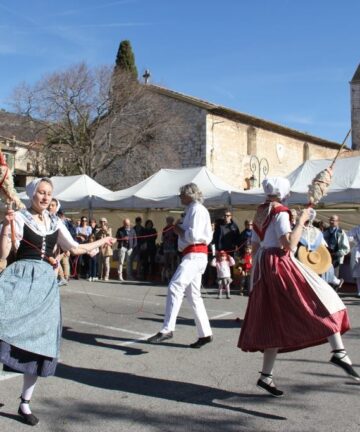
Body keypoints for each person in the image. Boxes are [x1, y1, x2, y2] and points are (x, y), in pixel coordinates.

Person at [0, 178, 116, 425]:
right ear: (32, 194)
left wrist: (103, 241)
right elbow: (5, 252)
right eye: (41, 193)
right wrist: (5, 228)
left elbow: (75, 248)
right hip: (19, 280)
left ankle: (24, 403)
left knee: (40, 344)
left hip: (44, 286)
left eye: (49, 194)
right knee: (2, 332)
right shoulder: (19, 218)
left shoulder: (55, 222)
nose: (45, 197)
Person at [238, 177, 359, 398]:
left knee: (274, 320)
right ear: (284, 193)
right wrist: (302, 220)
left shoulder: (260, 211)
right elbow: (290, 245)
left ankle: (266, 376)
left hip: (263, 266)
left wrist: (258, 272)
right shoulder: (281, 212)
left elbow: (255, 247)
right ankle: (339, 352)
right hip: (279, 263)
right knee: (320, 299)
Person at [147, 183, 213, 348]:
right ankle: (205, 333)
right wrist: (178, 228)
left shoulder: (197, 210)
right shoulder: (192, 209)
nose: (179, 197)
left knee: (175, 286)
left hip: (195, 254)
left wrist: (177, 228)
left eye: (181, 194)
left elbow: (193, 236)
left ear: (189, 194)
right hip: (194, 254)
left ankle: (168, 329)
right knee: (193, 295)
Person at [161, 216, 178, 283]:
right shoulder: (165, 228)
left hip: (173, 247)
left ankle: (172, 276)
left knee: (172, 262)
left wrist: (173, 238)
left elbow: (177, 237)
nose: (169, 222)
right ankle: (164, 276)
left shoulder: (174, 228)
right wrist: (165, 237)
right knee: (166, 262)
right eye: (168, 221)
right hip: (166, 247)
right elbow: (162, 239)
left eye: (170, 221)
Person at [347, 224, 360, 297]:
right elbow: (348, 236)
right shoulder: (357, 228)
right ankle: (359, 291)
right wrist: (353, 240)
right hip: (358, 252)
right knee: (358, 273)